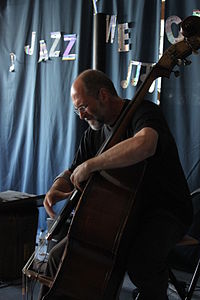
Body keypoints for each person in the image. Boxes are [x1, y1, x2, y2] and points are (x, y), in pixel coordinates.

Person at [38, 69, 193, 300]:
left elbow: (146, 143)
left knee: (141, 260)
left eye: (82, 107)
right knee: (61, 256)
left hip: (166, 211)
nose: (80, 115)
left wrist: (92, 165)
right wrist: (57, 185)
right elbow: (73, 169)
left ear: (103, 95)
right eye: (76, 110)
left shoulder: (143, 111)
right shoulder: (95, 131)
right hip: (124, 215)